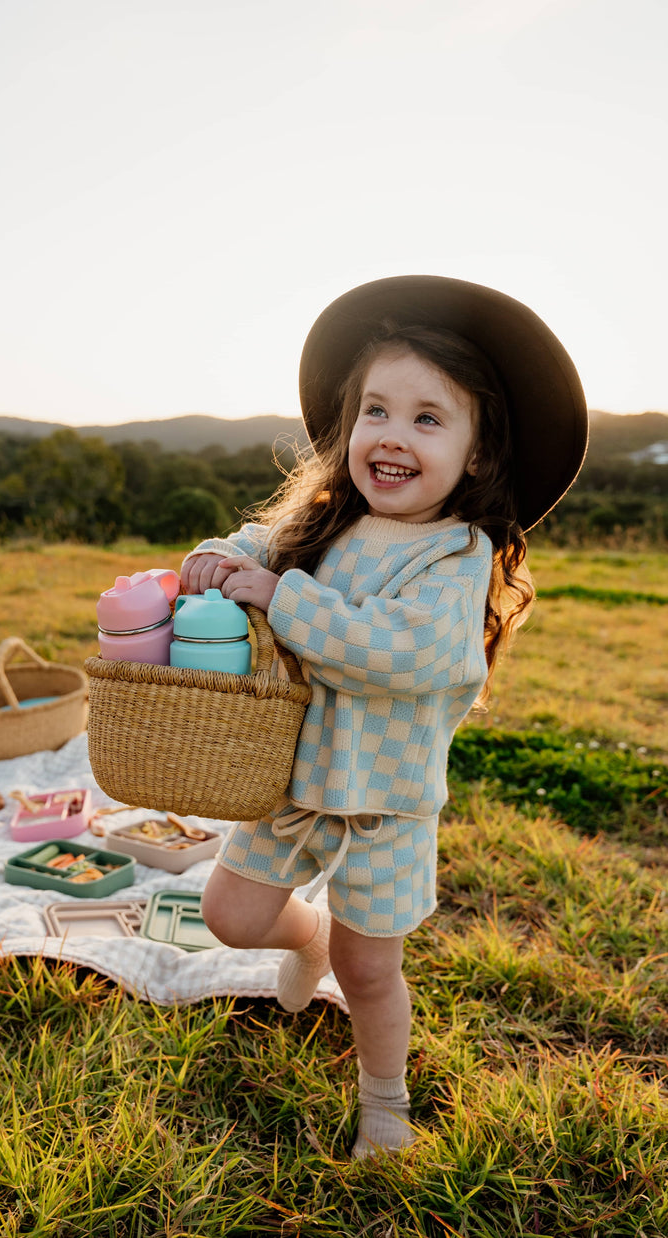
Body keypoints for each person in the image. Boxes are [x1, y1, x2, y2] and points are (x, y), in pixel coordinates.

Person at [179, 275, 588, 1159]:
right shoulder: (325, 523)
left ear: (477, 455)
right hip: (290, 777)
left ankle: (384, 1103)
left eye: (427, 419)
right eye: (375, 410)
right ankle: (308, 936)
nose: (392, 436)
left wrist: (282, 599)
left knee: (373, 969)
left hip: (385, 796)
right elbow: (255, 546)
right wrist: (220, 557)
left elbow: (402, 654)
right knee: (232, 916)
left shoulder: (457, 553)